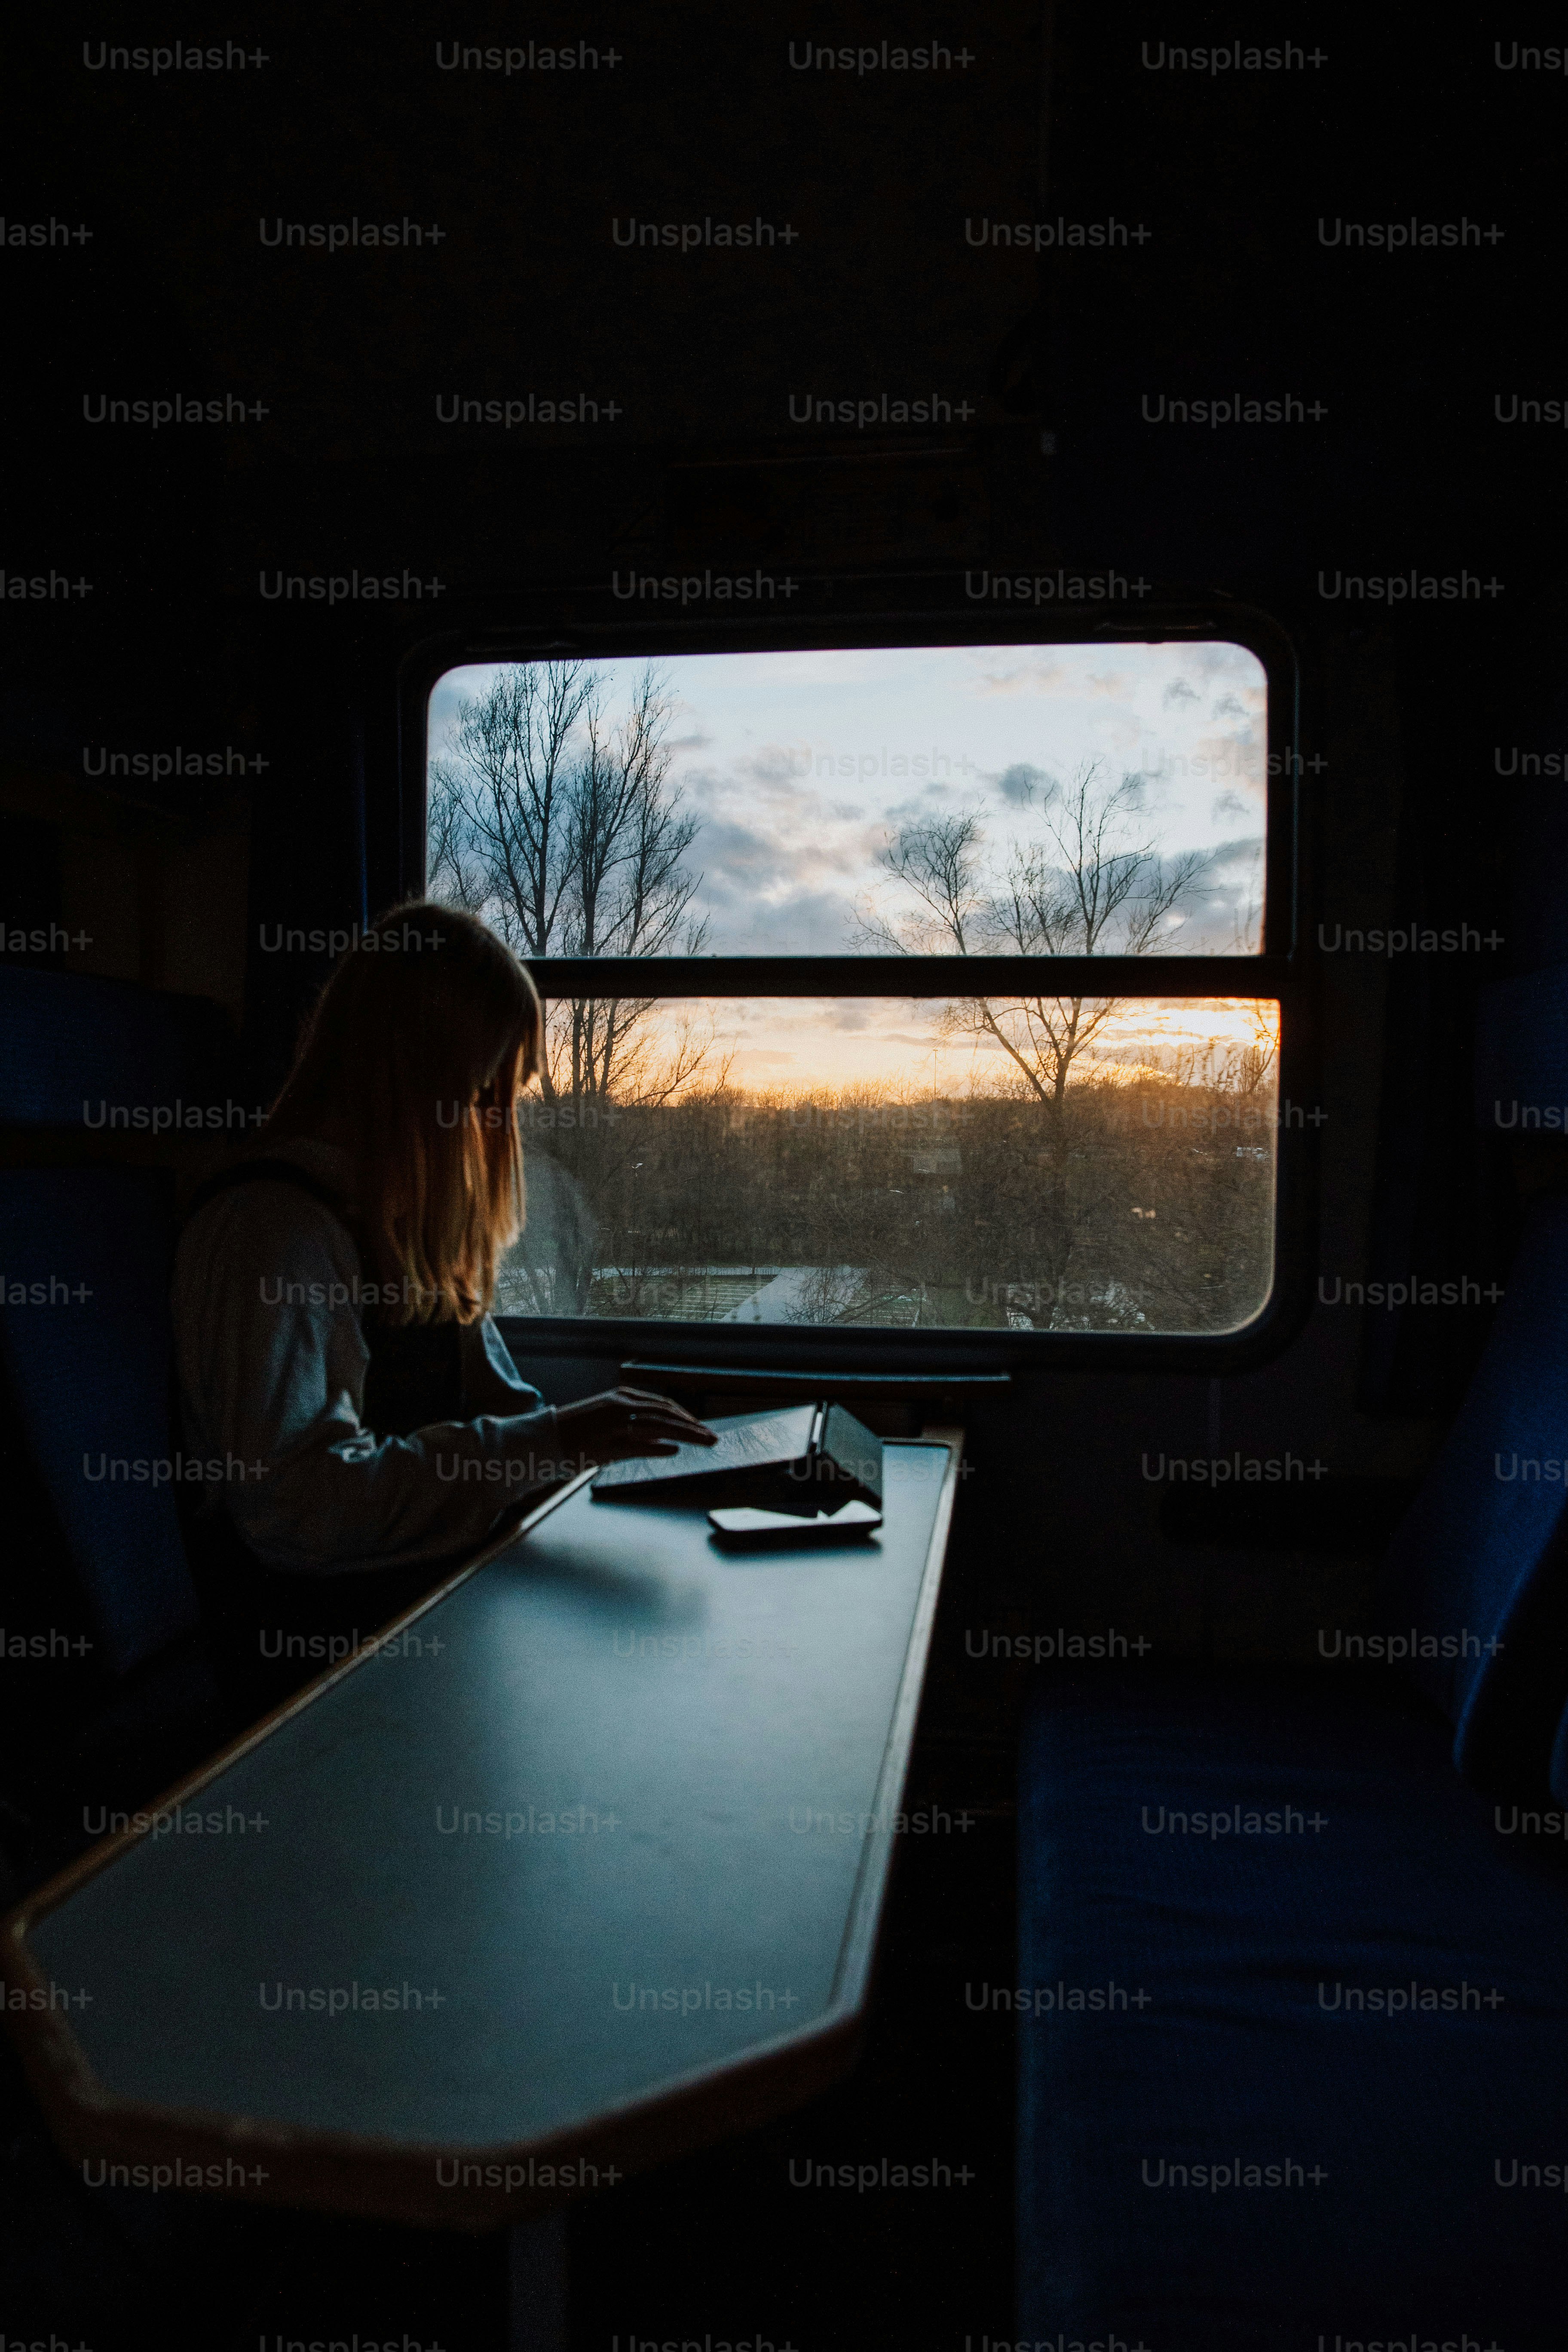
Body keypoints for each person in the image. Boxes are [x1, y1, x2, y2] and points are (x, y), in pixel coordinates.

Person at [172, 899, 714, 1701]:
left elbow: (503, 1408)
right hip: (323, 1667)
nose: (499, 1128)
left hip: (429, 1610)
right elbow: (299, 1509)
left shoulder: (404, 1229)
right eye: (486, 1092)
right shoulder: (274, 1233)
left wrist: (597, 1457)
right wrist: (551, 1440)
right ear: (417, 1081)